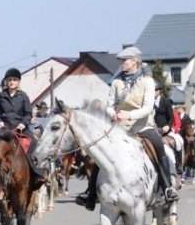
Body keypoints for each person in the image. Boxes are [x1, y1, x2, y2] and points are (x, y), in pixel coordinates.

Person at [75, 46, 179, 210]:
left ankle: (167, 187)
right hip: (120, 128)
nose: (122, 63)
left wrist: (129, 115)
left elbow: (147, 107)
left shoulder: (147, 82)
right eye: (121, 61)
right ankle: (91, 193)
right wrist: (113, 114)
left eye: (125, 60)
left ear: (135, 62)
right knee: (101, 153)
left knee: (159, 146)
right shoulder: (117, 82)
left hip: (142, 126)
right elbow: (109, 105)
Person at [0, 67, 46, 183]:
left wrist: (22, 124)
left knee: (34, 142)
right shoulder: (0, 97)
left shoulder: (23, 96)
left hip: (19, 128)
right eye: (9, 79)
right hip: (3, 128)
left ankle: (37, 173)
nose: (12, 82)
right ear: (6, 81)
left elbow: (28, 114)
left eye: (14, 80)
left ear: (18, 82)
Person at [153, 81, 183, 175]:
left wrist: (167, 126)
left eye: (153, 91)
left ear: (158, 91)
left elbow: (171, 117)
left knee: (178, 142)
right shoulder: (149, 102)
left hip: (166, 130)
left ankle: (179, 165)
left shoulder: (166, 101)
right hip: (154, 130)